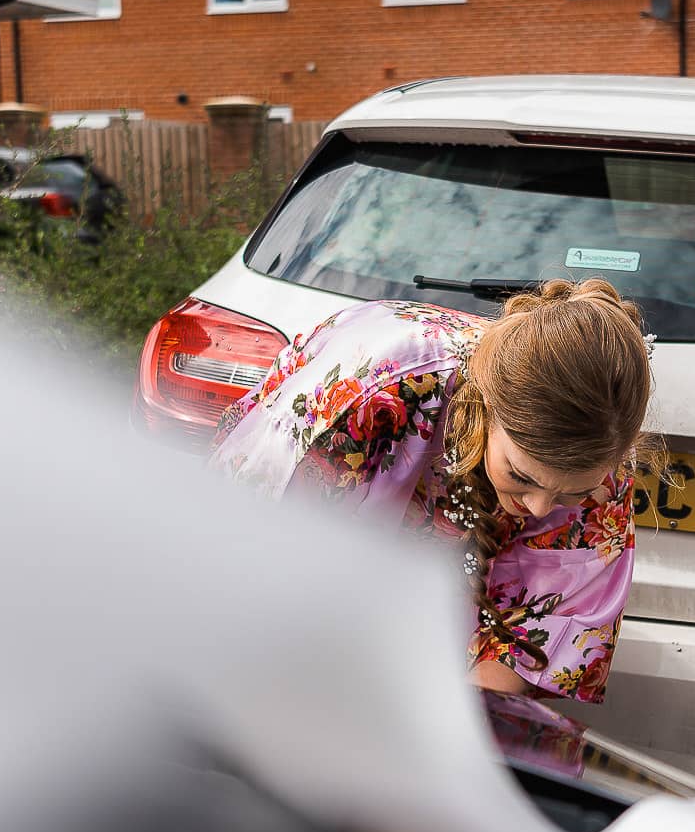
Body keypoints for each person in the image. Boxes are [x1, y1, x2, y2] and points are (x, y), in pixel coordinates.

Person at [211, 281, 656, 703]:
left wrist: (453, 722)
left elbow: (548, 626)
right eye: (522, 476)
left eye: (569, 495)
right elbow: (266, 556)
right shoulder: (377, 389)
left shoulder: (601, 450)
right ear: (489, 406)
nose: (539, 509)